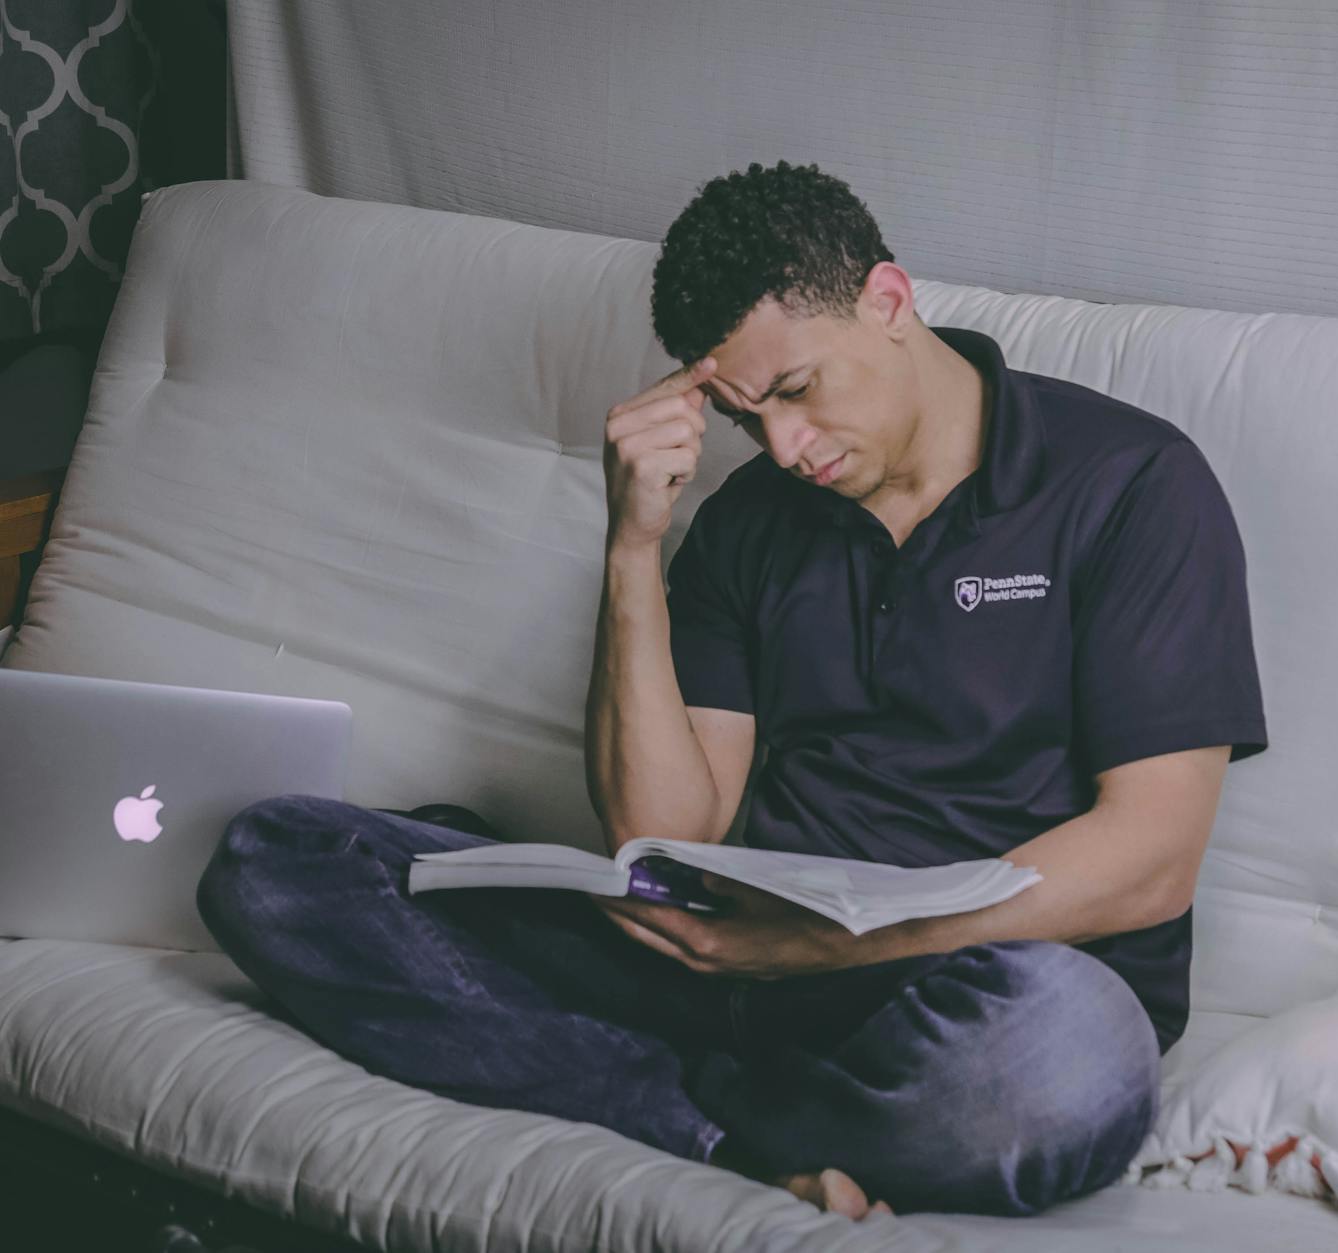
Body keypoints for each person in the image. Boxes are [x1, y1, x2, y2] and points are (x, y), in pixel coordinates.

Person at [196, 160, 1266, 1222]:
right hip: (733, 964)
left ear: (888, 301)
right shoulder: (750, 520)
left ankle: (684, 1102)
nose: (784, 448)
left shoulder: (1127, 482)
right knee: (278, 859)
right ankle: (714, 1125)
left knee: (1064, 1062)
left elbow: (1150, 858)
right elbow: (663, 832)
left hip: (965, 993)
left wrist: (827, 944)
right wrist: (633, 542)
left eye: (797, 391)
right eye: (747, 418)